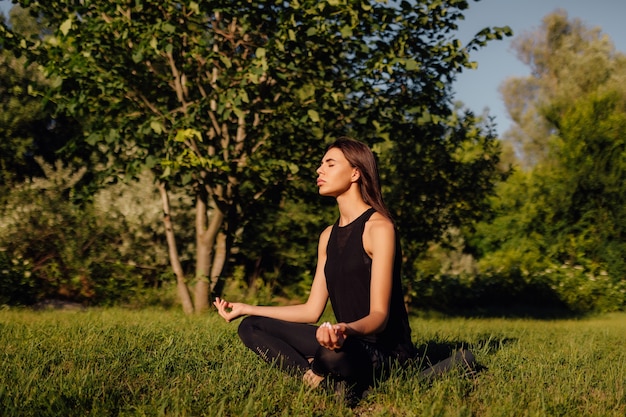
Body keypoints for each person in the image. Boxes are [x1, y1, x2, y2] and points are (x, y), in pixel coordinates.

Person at [214, 137, 416, 406]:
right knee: (251, 327)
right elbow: (311, 310)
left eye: (330, 164)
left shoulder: (379, 228)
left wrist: (343, 329)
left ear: (355, 173)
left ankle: (332, 374)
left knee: (331, 353)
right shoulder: (328, 236)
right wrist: (246, 307)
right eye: (321, 164)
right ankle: (321, 382)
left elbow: (379, 316)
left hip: (383, 350)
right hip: (339, 340)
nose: (319, 171)